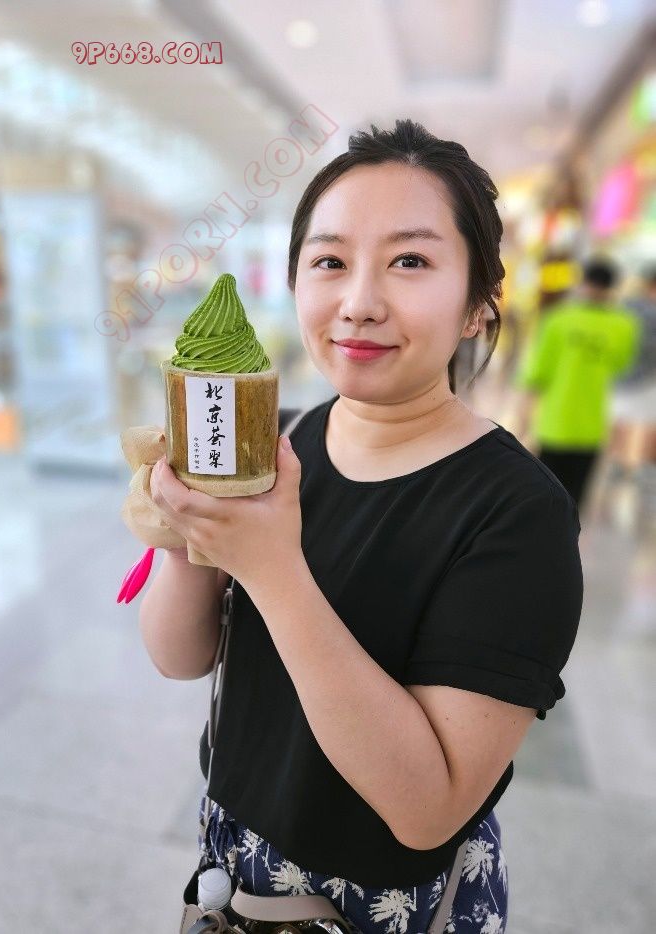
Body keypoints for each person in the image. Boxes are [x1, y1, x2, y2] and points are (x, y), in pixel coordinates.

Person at [140, 119, 583, 934]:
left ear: (479, 304)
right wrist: (187, 540)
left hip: (383, 906)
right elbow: (180, 657)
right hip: (234, 870)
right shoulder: (281, 441)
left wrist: (272, 568)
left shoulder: (517, 513)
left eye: (410, 261)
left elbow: (427, 810)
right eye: (330, 262)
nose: (359, 303)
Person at [513, 256, 642, 516]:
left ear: (584, 283)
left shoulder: (558, 319)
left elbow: (537, 373)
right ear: (612, 288)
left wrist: (522, 420)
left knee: (546, 493)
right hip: (592, 425)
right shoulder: (625, 325)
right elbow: (621, 366)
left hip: (555, 421)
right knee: (575, 500)